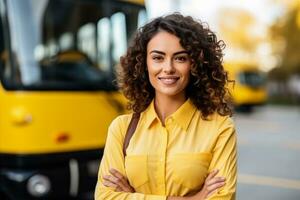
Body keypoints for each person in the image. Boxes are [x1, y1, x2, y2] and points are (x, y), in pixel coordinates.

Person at [94, 13, 237, 200]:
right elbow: (105, 197)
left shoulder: (220, 128)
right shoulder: (121, 129)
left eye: (180, 58)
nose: (168, 68)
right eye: (158, 58)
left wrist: (132, 195)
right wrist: (193, 198)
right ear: (143, 63)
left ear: (196, 65)